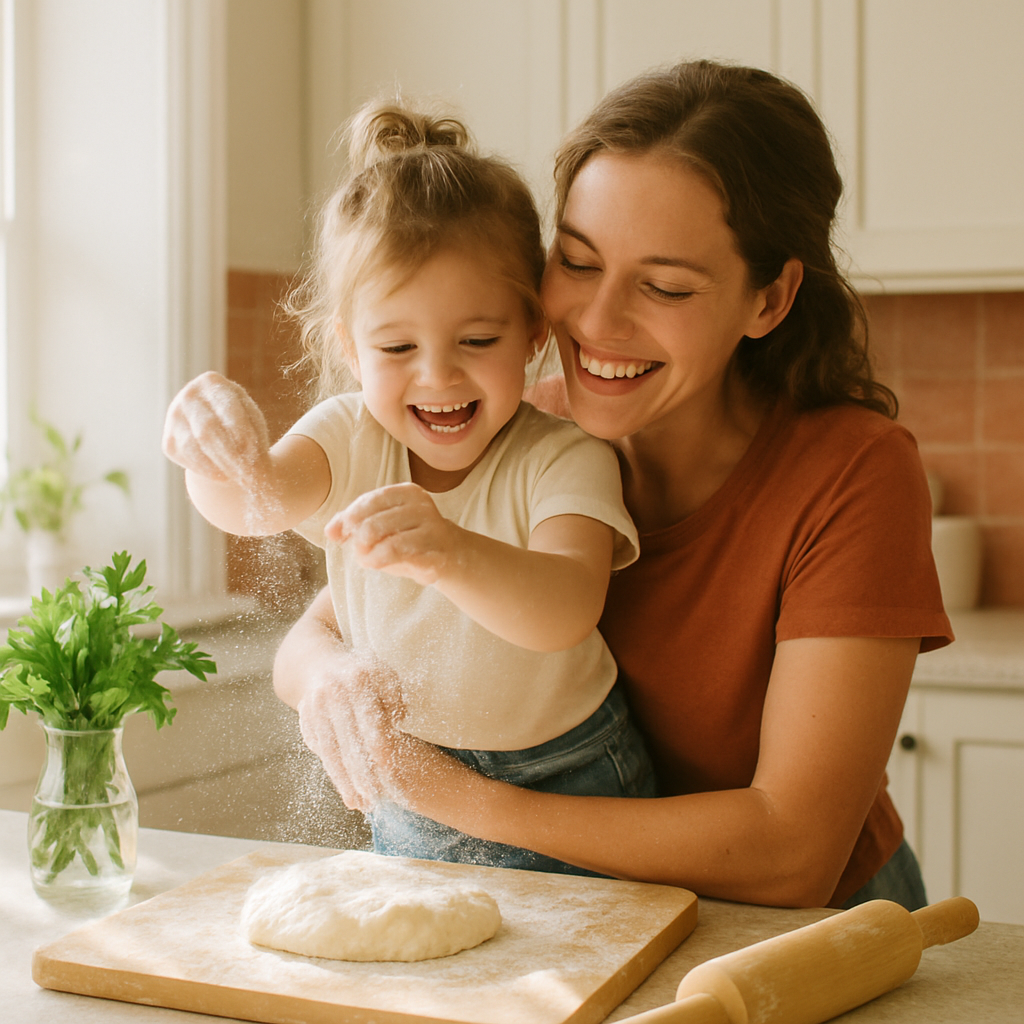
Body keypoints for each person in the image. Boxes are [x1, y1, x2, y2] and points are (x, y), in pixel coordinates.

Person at [270, 61, 954, 911]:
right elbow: (328, 625)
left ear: (769, 299)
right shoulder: (513, 430)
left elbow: (792, 853)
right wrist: (327, 678)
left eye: (664, 286)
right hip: (598, 919)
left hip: (809, 941)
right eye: (579, 262)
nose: (595, 322)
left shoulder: (852, 472)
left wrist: (457, 801)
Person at [162, 99, 654, 873]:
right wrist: (215, 453)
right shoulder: (347, 435)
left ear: (532, 333)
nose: (438, 374)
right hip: (415, 789)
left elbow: (566, 607)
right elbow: (256, 503)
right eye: (396, 345)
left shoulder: (562, 457)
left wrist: (450, 553)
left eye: (478, 340)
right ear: (350, 350)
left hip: (574, 783)